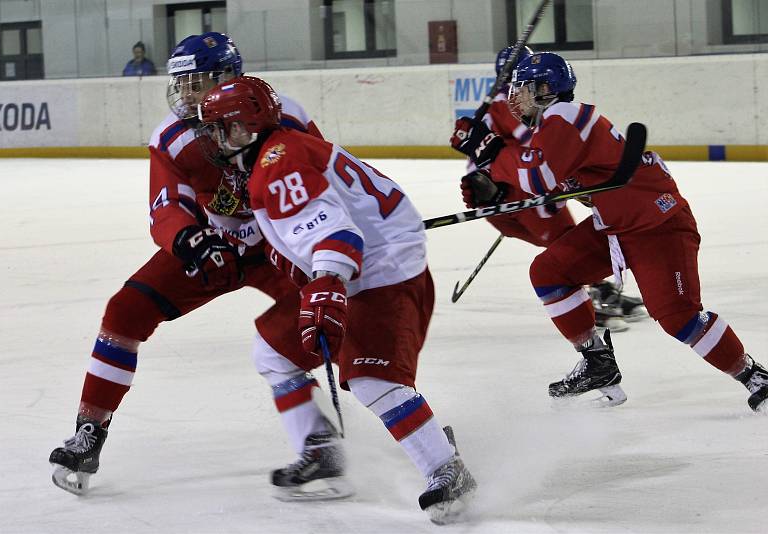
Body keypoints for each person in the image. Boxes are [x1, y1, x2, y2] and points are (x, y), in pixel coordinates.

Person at [48, 32, 338, 497]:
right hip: (213, 249)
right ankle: (89, 432)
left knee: (330, 316)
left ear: (229, 79)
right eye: (180, 84)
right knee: (125, 312)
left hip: (277, 248)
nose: (185, 94)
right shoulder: (172, 136)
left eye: (197, 83)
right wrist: (188, 238)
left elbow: (329, 175)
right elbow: (165, 208)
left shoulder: (285, 116)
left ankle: (395, 414)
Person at [197, 76, 478, 524]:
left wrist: (326, 284)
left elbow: (335, 234)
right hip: (356, 268)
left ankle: (446, 469)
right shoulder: (278, 153)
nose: (212, 138)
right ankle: (321, 451)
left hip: (381, 276)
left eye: (219, 127)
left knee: (371, 380)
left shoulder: (277, 162)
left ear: (245, 127)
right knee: (272, 351)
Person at [458, 51, 768, 412]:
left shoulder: (565, 117)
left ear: (545, 89)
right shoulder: (553, 125)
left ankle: (753, 376)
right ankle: (597, 363)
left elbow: (538, 178)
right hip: (618, 226)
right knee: (549, 272)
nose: (516, 97)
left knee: (678, 317)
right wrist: (497, 190)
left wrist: (489, 151)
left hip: (657, 226)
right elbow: (551, 194)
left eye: (523, 89)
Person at [450, 45, 646, 332]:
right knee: (566, 247)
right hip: (517, 192)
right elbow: (536, 153)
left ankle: (598, 291)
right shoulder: (513, 105)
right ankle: (592, 301)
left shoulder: (501, 105)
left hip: (503, 194)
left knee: (561, 245)